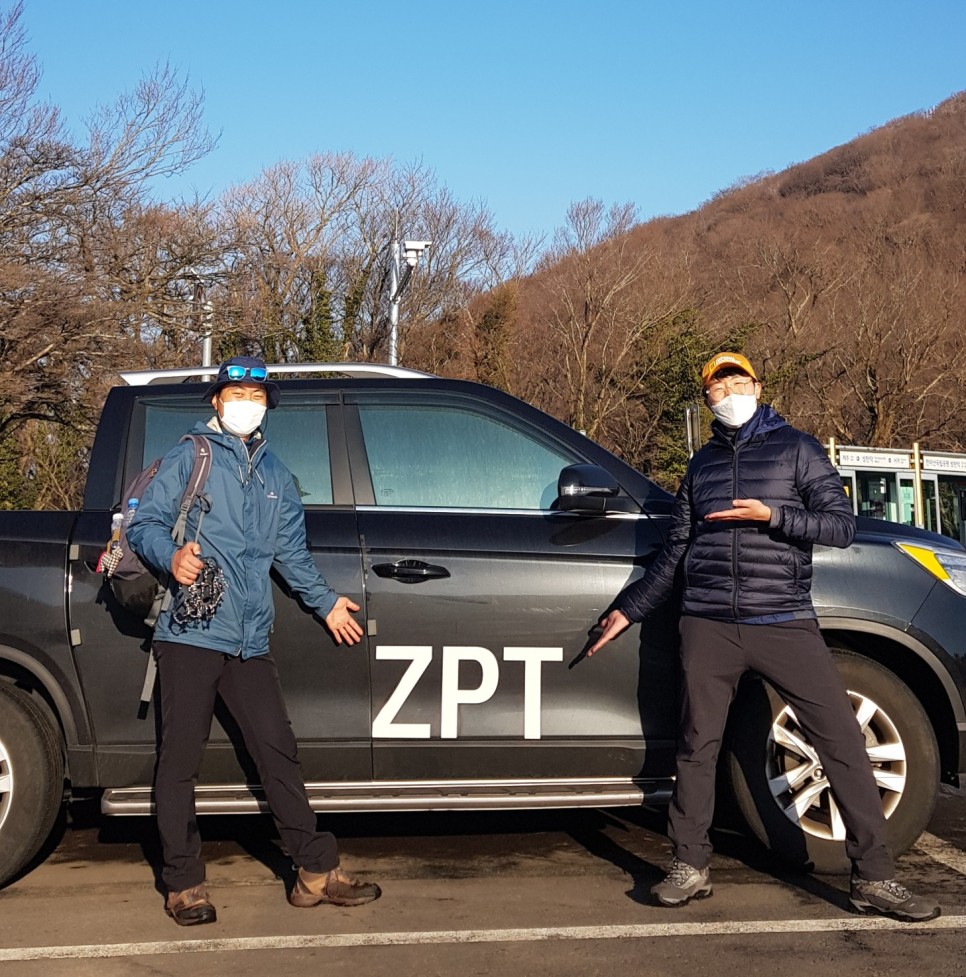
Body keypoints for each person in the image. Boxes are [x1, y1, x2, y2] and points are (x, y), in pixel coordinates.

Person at [588, 352, 940, 923]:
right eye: (716, 386)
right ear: (707, 399)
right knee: (696, 746)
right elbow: (675, 550)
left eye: (737, 380)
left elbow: (840, 526)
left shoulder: (797, 449)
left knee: (842, 741)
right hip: (707, 623)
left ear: (756, 386)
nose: (728, 392)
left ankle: (875, 878)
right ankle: (689, 865)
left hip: (783, 619)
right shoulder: (700, 466)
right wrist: (629, 609)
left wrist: (772, 515)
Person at [128, 355, 381, 926]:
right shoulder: (189, 456)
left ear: (267, 407)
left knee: (277, 750)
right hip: (190, 632)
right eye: (236, 394)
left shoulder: (276, 476)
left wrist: (325, 601)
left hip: (249, 639)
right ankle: (183, 884)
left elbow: (291, 554)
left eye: (257, 397)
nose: (246, 404)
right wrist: (171, 556)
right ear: (217, 401)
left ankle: (314, 872)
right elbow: (142, 524)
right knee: (180, 761)